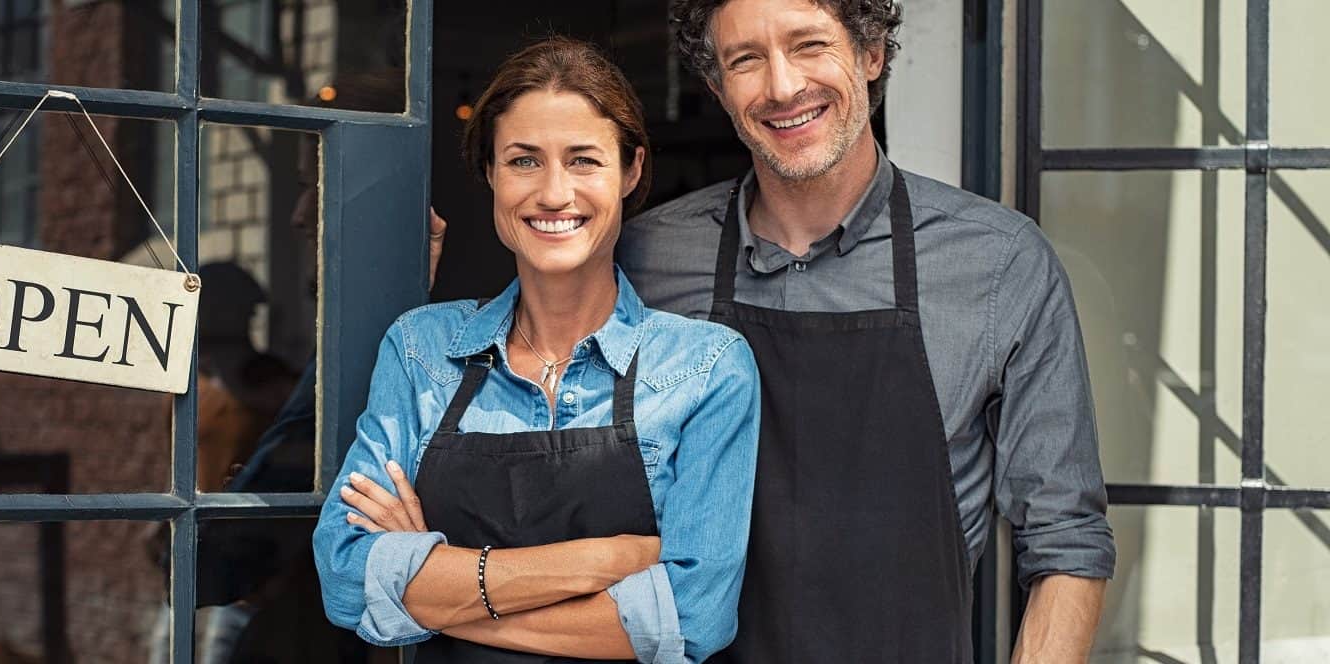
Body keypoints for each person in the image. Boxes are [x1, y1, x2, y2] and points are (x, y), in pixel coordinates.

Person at [608, 0, 1113, 661]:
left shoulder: (998, 263)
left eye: (810, 44)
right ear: (718, 88)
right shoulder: (644, 261)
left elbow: (1066, 542)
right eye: (746, 60)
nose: (784, 87)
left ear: (871, 54)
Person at [312, 37, 761, 663]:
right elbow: (344, 577)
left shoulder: (705, 367)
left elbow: (691, 617)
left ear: (630, 172)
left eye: (584, 161)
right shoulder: (422, 350)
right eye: (524, 161)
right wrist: (603, 560)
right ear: (490, 173)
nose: (554, 194)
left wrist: (430, 595)